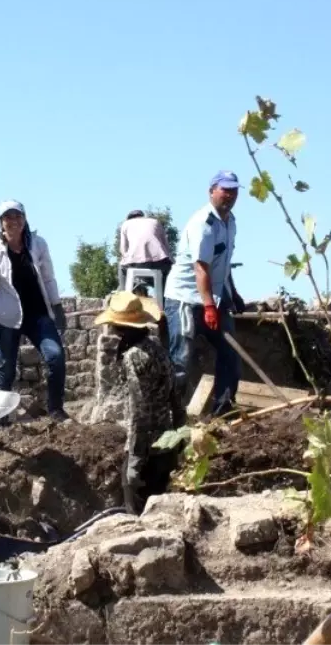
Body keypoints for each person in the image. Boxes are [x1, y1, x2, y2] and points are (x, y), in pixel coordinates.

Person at [163, 171, 247, 417]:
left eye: (234, 191)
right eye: (225, 190)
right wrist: (208, 306)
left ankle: (222, 413)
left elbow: (224, 262)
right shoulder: (203, 223)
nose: (230, 195)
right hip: (185, 298)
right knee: (182, 357)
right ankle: (172, 416)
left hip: (215, 296)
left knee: (231, 355)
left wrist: (234, 294)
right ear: (212, 191)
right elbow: (201, 267)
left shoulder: (230, 222)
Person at [0, 200, 68, 421]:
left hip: (37, 315)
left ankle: (55, 409)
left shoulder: (37, 244)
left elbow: (48, 278)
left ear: (25, 219)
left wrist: (57, 307)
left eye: (17, 216)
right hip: (6, 318)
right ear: (0, 223)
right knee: (5, 370)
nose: (13, 221)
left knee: (56, 357)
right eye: (8, 217)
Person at [93, 291, 180, 514]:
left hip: (147, 448)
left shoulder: (133, 356)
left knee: (135, 503)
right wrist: (180, 436)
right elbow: (175, 395)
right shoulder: (157, 347)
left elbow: (139, 411)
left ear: (121, 327)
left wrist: (135, 458)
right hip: (166, 443)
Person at [118, 210, 173, 296]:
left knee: (121, 267)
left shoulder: (126, 224)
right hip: (160, 264)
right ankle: (163, 302)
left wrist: (129, 258)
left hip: (137, 265)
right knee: (165, 281)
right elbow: (167, 248)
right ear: (142, 216)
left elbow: (123, 250)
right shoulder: (155, 222)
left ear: (129, 219)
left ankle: (124, 295)